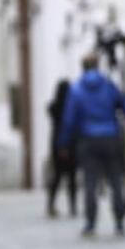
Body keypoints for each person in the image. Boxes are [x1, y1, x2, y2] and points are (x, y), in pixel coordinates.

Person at [57, 53, 125, 236]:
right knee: (116, 181)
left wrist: (63, 143)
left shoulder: (76, 90)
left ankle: (91, 223)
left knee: (90, 182)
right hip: (110, 137)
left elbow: (68, 120)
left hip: (88, 139)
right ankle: (119, 222)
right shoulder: (109, 86)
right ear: (98, 66)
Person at [46, 79, 77, 217]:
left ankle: (51, 205)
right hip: (71, 144)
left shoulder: (53, 107)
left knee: (57, 177)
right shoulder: (71, 107)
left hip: (56, 145)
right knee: (72, 177)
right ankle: (73, 206)